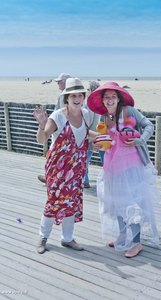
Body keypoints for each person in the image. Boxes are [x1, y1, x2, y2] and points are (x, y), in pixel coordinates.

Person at [87, 82, 160, 258]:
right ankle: (122, 234)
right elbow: (107, 143)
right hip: (113, 165)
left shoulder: (129, 111)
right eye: (106, 97)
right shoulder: (104, 118)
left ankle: (136, 242)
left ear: (118, 98)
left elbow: (149, 125)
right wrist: (97, 147)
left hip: (132, 165)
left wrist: (140, 140)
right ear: (103, 101)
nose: (109, 100)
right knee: (116, 200)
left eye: (113, 96)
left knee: (131, 200)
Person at [33, 77, 97, 254]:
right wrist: (41, 124)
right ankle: (42, 236)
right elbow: (42, 139)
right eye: (73, 96)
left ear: (83, 97)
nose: (77, 98)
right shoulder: (58, 116)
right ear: (66, 98)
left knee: (72, 202)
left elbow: (84, 133)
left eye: (80, 95)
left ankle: (67, 239)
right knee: (54, 202)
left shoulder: (86, 114)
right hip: (57, 168)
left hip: (77, 167)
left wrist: (98, 138)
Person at [38, 72, 71, 184]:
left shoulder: (63, 96)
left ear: (65, 82)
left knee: (57, 156)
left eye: (59, 82)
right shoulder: (73, 95)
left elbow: (59, 114)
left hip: (62, 132)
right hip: (65, 131)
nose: (57, 84)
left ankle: (50, 177)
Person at [84, 81, 105, 188]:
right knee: (106, 161)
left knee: (84, 161)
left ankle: (85, 181)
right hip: (103, 136)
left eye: (87, 89)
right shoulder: (102, 103)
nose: (86, 91)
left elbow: (89, 121)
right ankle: (111, 182)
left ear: (92, 91)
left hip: (92, 136)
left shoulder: (89, 104)